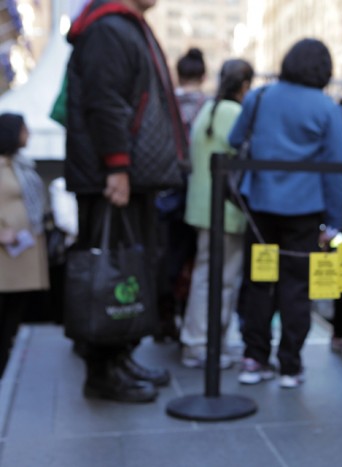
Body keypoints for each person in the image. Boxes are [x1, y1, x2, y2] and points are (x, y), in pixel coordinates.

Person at [65, 0, 188, 402]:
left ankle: (119, 357)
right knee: (109, 270)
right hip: (112, 176)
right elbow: (105, 102)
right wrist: (117, 166)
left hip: (129, 174)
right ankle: (101, 370)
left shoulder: (124, 25)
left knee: (129, 268)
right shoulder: (109, 28)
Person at [229, 38, 342, 389]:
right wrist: (333, 221)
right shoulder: (326, 108)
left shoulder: (259, 97)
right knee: (296, 288)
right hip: (304, 210)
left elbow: (235, 139)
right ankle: (290, 366)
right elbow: (335, 168)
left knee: (259, 282)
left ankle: (254, 358)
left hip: (260, 206)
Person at [180, 59, 254, 369]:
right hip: (226, 210)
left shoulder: (208, 109)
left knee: (204, 275)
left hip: (201, 207)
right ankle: (207, 344)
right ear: (245, 85)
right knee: (222, 280)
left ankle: (199, 341)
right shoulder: (234, 113)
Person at [153, 47, 209, 342]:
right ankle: (189, 320)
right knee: (195, 257)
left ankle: (164, 319)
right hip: (200, 190)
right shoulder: (209, 106)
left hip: (167, 187)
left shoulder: (165, 102)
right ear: (204, 75)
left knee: (168, 255)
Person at [0, 113, 49, 377]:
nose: (28, 134)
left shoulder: (21, 164)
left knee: (12, 320)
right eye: (23, 129)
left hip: (21, 254)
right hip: (4, 258)